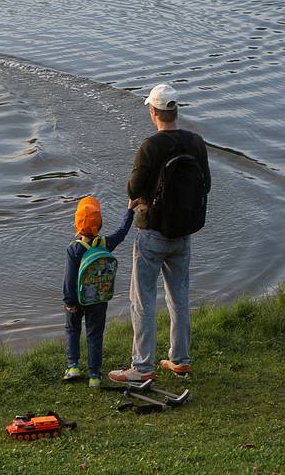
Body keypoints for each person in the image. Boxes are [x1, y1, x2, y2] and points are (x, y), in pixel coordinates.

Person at [108, 83, 211, 383]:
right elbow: (206, 185)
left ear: (154, 112)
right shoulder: (197, 142)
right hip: (183, 234)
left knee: (143, 300)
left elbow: (133, 189)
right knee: (179, 297)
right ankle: (180, 359)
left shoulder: (150, 147)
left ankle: (141, 367)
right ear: (176, 111)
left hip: (152, 233)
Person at [63, 195, 134, 387]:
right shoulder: (105, 244)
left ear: (76, 224)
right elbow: (122, 232)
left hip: (77, 300)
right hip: (99, 298)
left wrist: (69, 302)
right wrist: (130, 211)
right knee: (95, 335)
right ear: (100, 223)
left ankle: (73, 367)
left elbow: (69, 279)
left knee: (72, 329)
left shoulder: (74, 249)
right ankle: (94, 376)